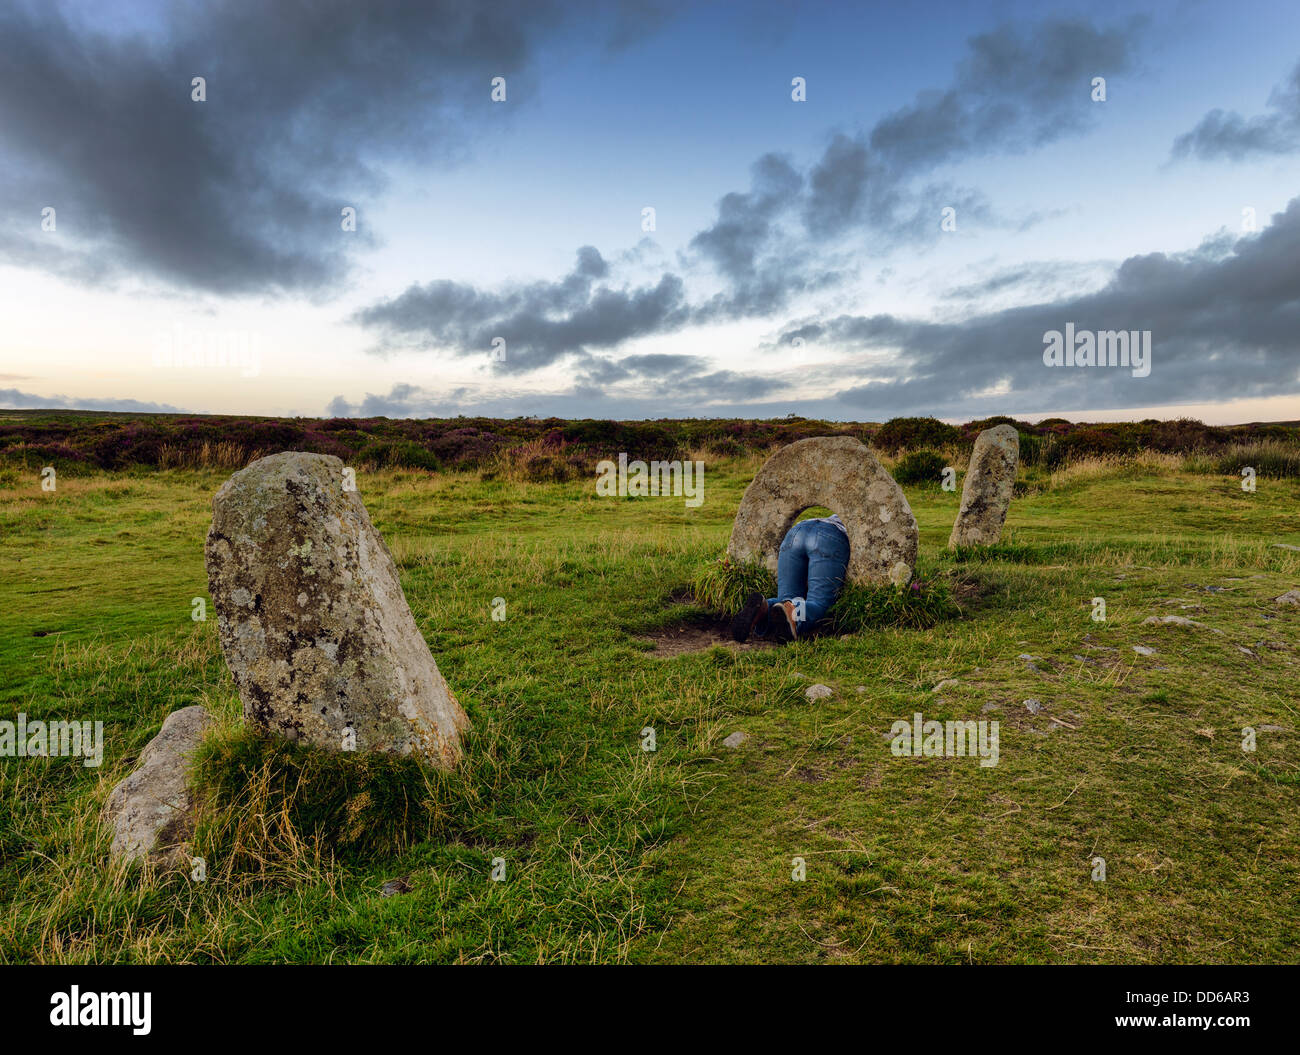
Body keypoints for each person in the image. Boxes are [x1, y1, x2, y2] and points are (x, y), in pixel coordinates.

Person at [730, 513, 850, 643]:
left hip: (796, 532)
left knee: (785, 601)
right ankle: (794, 612)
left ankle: (764, 608)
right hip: (830, 536)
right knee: (820, 604)